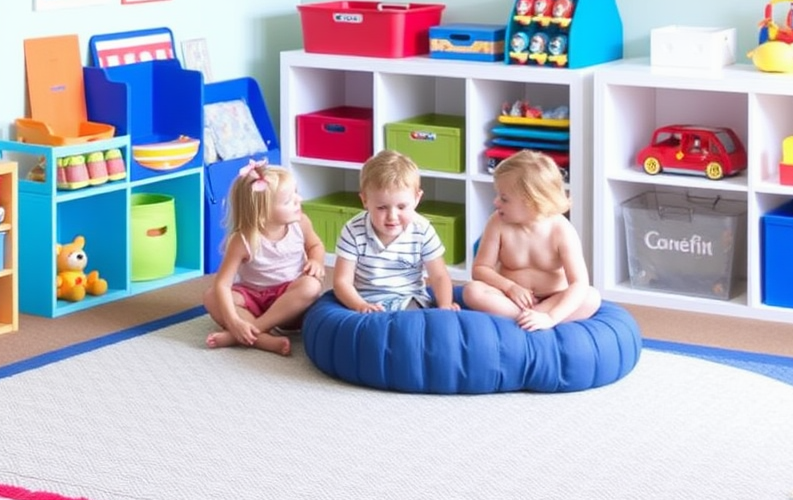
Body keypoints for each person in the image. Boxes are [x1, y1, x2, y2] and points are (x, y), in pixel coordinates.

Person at [463, 149, 599, 331]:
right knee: (473, 291)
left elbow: (579, 283)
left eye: (504, 198)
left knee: (591, 297)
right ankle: (525, 319)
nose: (496, 202)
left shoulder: (561, 230)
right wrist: (510, 287)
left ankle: (534, 319)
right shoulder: (497, 222)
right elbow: (480, 269)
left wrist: (551, 316)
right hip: (509, 299)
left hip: (553, 299)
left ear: (532, 202)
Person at [203, 159, 325, 356]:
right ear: (261, 213)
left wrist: (316, 261)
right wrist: (233, 320)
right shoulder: (242, 240)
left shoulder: (300, 223)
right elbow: (222, 285)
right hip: (253, 298)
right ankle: (259, 339)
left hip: (289, 300)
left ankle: (247, 332)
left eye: (296, 193)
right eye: (288, 200)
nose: (299, 200)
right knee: (211, 297)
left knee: (312, 286)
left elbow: (315, 245)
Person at [333, 149, 458, 313]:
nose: (392, 216)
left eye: (401, 207)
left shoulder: (422, 229)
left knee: (411, 326)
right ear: (365, 200)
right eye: (382, 207)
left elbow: (439, 275)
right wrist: (359, 305)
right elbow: (342, 281)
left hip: (408, 299)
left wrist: (444, 305)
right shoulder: (353, 230)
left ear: (417, 199)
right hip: (369, 302)